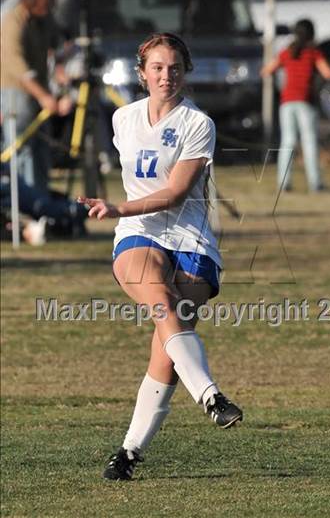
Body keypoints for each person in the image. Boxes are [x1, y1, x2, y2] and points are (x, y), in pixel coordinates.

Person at [78, 32, 242, 481]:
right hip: (138, 233)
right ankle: (210, 396)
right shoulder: (123, 119)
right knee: (161, 302)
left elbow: (173, 195)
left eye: (173, 67)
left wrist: (116, 207)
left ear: (185, 73)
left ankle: (129, 452)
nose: (165, 75)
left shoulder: (197, 124)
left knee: (165, 349)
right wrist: (123, 215)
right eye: (156, 67)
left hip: (190, 238)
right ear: (141, 73)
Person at [1, 0, 70, 194]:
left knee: (41, 146)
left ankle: (42, 198)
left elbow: (57, 46)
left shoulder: (45, 19)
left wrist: (61, 76)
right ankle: (25, 199)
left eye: (49, 5)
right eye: (44, 5)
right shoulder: (12, 21)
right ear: (31, 1)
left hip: (40, 89)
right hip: (14, 91)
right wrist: (44, 97)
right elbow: (17, 66)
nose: (47, 9)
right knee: (22, 146)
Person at [260, 19, 330, 192]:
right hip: (305, 102)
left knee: (287, 142)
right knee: (309, 142)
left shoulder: (287, 52)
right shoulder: (313, 53)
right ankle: (315, 183)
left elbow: (266, 71)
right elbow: (328, 73)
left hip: (286, 102)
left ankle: (283, 183)